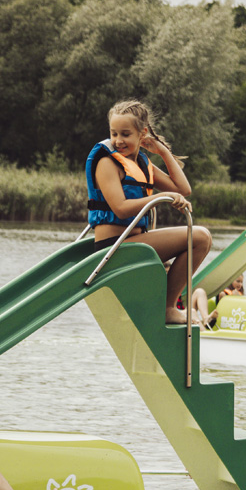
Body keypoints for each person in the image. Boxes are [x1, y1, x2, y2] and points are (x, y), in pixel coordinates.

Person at [87, 100, 212, 324]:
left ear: (142, 134)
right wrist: (158, 198)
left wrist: (162, 151)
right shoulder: (107, 163)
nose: (118, 140)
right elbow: (120, 209)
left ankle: (167, 306)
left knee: (203, 238)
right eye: (114, 133)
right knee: (199, 237)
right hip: (113, 249)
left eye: (125, 134)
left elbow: (184, 189)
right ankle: (167, 307)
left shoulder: (142, 164)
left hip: (134, 244)